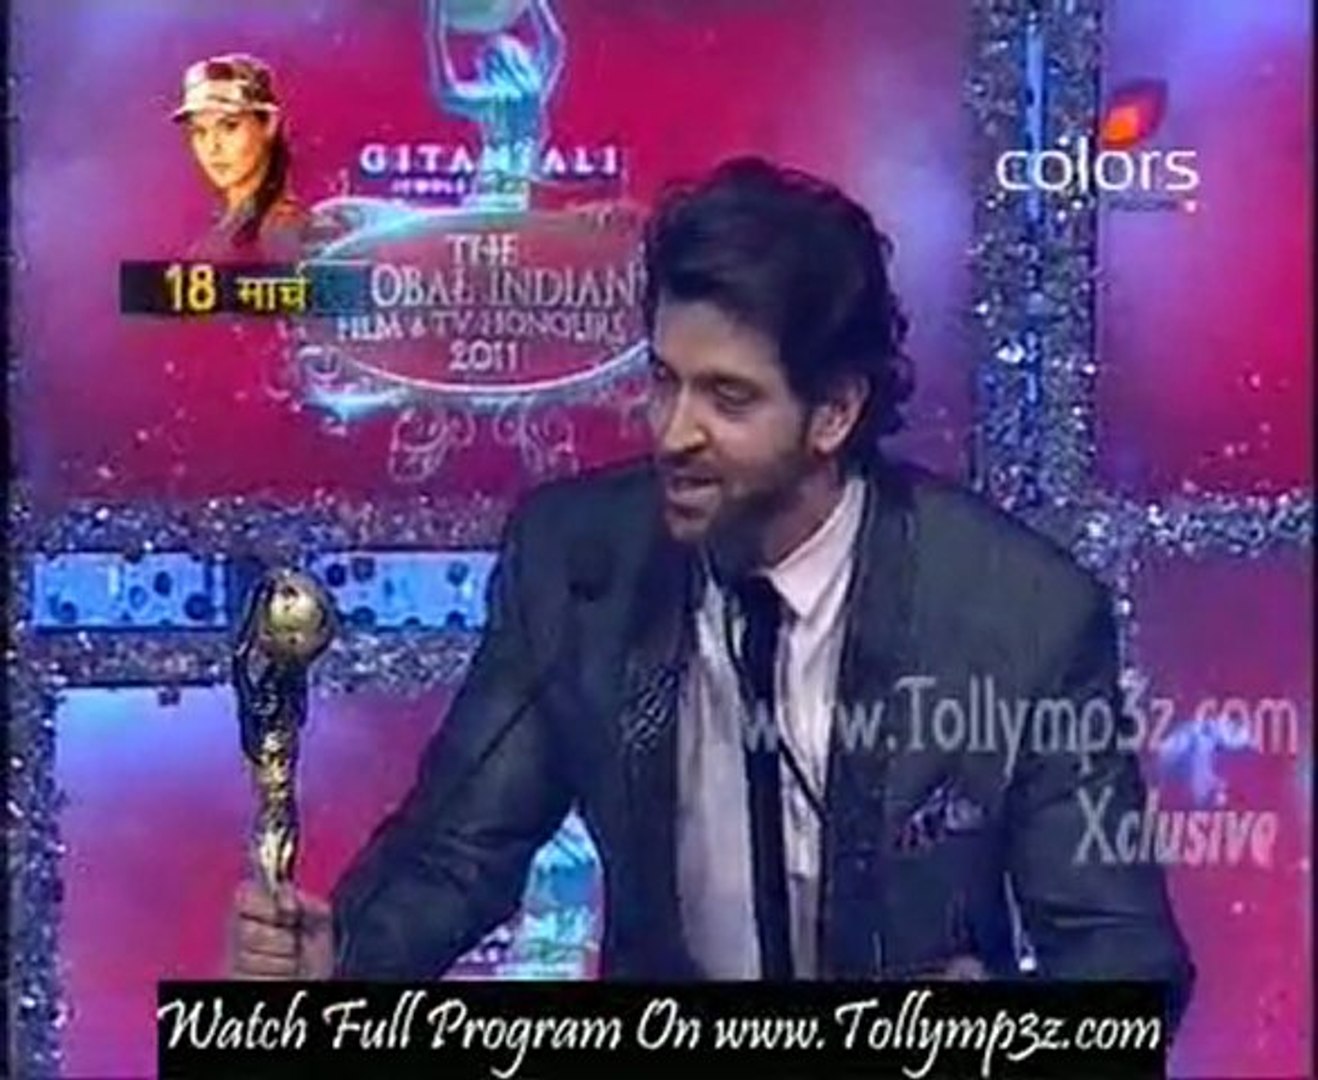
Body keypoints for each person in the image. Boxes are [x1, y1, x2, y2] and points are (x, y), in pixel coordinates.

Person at [229, 156, 1194, 1028]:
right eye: (664, 381)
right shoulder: (577, 563)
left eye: (728, 399)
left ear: (834, 412)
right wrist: (342, 962)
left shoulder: (1021, 616)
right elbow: (457, 850)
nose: (673, 432)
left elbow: (1125, 960)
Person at [171, 53, 314, 261]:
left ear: (269, 124)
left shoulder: (282, 230)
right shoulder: (225, 231)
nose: (212, 147)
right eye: (200, 131)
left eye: (229, 126)